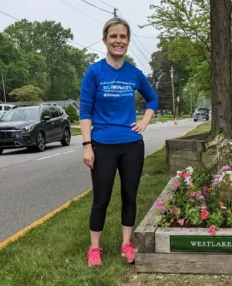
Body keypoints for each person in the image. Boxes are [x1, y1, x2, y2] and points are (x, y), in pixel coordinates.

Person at [79, 18, 159, 267]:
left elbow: (153, 99)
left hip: (132, 145)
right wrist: (87, 145)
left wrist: (145, 121)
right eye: (113, 36)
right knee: (101, 199)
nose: (118, 41)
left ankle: (126, 244)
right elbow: (85, 111)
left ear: (128, 41)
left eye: (123, 37)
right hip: (102, 145)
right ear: (105, 39)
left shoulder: (134, 73)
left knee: (129, 196)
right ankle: (94, 249)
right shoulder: (94, 72)